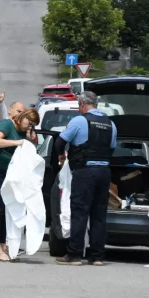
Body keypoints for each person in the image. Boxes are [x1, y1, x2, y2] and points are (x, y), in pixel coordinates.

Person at [53, 91, 116, 266]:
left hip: (85, 172)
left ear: (82, 104)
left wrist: (61, 156)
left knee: (79, 213)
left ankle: (74, 255)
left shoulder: (80, 121)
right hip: (104, 172)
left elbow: (59, 142)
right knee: (99, 215)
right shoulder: (111, 124)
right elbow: (112, 149)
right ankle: (96, 257)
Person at [0, 108, 40, 262]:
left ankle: (4, 245)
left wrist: (30, 140)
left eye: (33, 125)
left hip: (11, 173)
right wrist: (17, 142)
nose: (29, 127)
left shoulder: (26, 133)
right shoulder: (7, 125)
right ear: (23, 116)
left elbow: (31, 154)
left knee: (8, 207)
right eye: (29, 123)